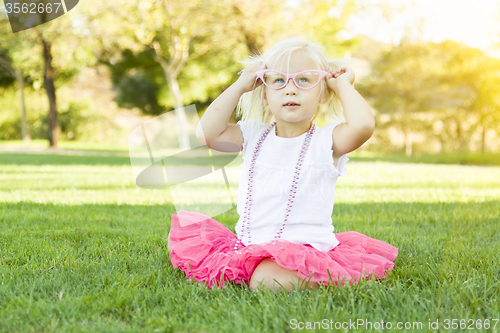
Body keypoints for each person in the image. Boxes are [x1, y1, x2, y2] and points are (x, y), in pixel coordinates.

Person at [167, 36, 398, 292]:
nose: (291, 89)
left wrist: (343, 85)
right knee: (188, 236)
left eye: (304, 80)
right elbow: (207, 133)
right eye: (278, 80)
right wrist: (240, 85)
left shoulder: (326, 141)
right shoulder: (253, 133)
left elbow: (362, 126)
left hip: (303, 248)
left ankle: (318, 275)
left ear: (322, 94)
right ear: (264, 95)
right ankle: (257, 268)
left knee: (266, 281)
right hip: (247, 243)